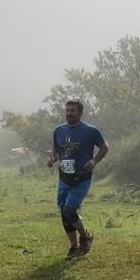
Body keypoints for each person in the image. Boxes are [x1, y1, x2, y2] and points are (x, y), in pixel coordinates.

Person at [47, 100, 110, 259]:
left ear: (80, 113)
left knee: (69, 210)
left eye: (72, 111)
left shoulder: (90, 131)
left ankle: (86, 236)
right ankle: (74, 247)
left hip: (81, 178)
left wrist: (94, 161)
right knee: (64, 212)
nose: (69, 113)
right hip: (64, 178)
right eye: (67, 110)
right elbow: (55, 148)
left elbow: (104, 147)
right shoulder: (59, 130)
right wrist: (53, 157)